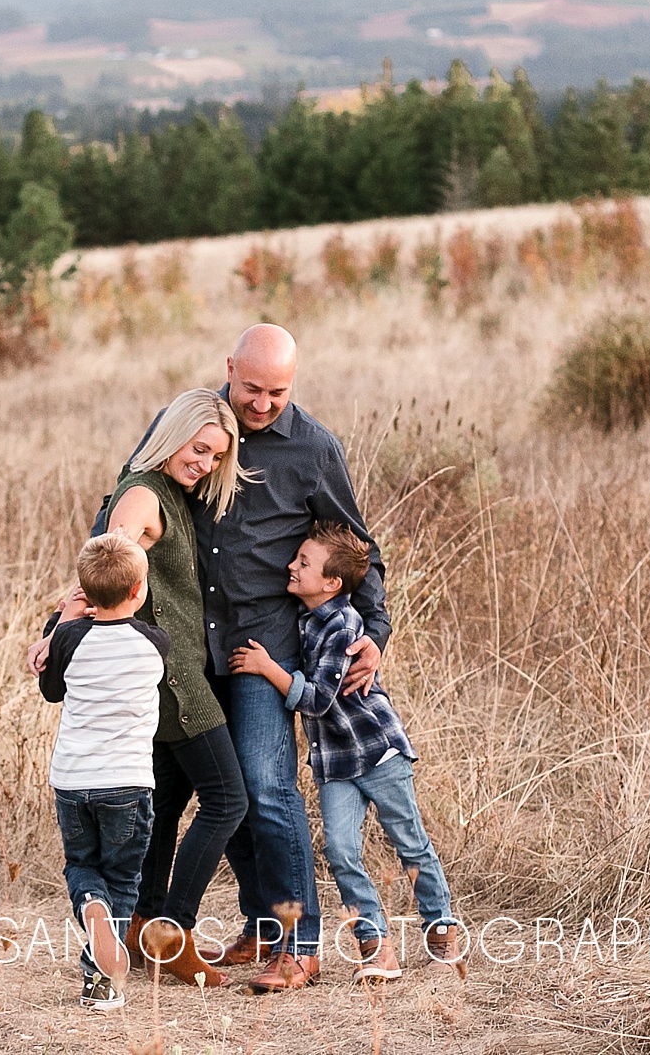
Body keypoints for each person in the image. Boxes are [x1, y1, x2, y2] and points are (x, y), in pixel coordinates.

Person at [95, 325, 391, 993]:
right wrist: (90, 592)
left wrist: (375, 628)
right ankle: (256, 920)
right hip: (191, 647)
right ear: (229, 368)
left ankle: (299, 943)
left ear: (296, 382)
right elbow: (123, 504)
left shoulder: (314, 448)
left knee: (265, 786)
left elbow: (354, 542)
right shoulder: (196, 427)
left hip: (264, 646)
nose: (261, 403)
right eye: (251, 387)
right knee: (210, 785)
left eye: (277, 392)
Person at [65, 388, 251, 988]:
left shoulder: (171, 488)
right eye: (199, 450)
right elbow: (106, 570)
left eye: (215, 459)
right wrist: (61, 626)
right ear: (175, 435)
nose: (203, 465)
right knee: (227, 798)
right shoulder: (143, 493)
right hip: (174, 684)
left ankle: (138, 924)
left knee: (165, 807)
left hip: (178, 674)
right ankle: (174, 929)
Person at [229, 522, 463, 982]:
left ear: (332, 583)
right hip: (335, 763)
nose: (291, 566)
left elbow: (318, 699)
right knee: (339, 850)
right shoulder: (304, 618)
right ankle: (376, 945)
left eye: (303, 563)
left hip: (377, 753)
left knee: (409, 841)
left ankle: (441, 927)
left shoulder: (343, 626)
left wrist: (268, 668)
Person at [38, 532, 169, 1012]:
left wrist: (61, 618)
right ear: (138, 591)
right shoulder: (155, 642)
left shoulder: (70, 638)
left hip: (73, 780)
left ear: (84, 593)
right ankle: (103, 979)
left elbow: (52, 691)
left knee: (83, 866)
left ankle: (91, 911)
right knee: (123, 878)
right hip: (128, 782)